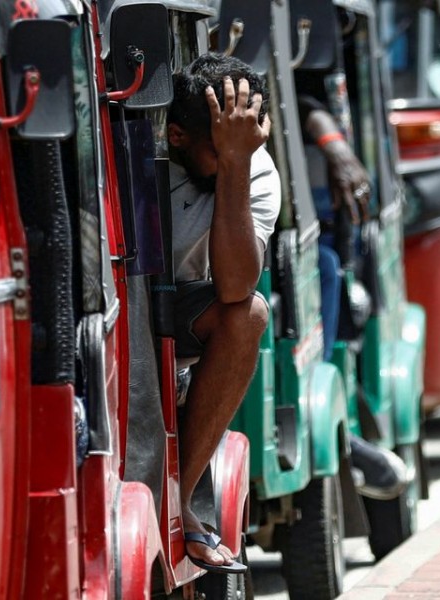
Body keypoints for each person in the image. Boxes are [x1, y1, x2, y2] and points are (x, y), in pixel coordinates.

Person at [157, 53, 279, 573]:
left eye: (248, 139)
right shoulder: (147, 155)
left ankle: (177, 498)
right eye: (221, 144)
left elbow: (234, 287)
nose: (241, 151)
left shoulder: (252, 166)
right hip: (123, 305)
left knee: (249, 313)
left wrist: (234, 162)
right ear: (178, 137)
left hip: (186, 311)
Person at [298, 94, 410, 501]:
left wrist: (336, 149)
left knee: (324, 266)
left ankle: (328, 417)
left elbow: (305, 103)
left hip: (332, 250)